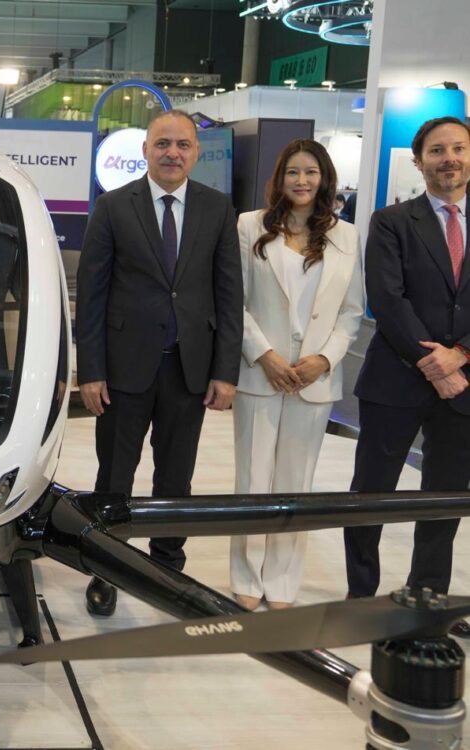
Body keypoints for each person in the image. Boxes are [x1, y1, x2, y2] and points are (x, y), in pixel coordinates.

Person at [75, 110, 243, 616]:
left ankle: (169, 572)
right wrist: (90, 371)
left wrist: (225, 371)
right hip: (123, 371)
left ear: (196, 152)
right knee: (114, 477)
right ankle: (107, 570)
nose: (173, 153)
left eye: (183, 144)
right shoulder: (113, 206)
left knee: (176, 480)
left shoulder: (217, 208)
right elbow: (92, 295)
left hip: (188, 370)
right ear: (145, 150)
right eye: (163, 143)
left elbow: (228, 295)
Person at [346, 116, 470, 638]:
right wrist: (436, 364)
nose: (449, 159)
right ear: (419, 162)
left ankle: (428, 597)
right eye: (437, 151)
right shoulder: (392, 221)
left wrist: (460, 354)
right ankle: (361, 598)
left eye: (459, 148)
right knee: (371, 492)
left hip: (464, 384)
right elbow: (387, 299)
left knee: (445, 497)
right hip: (396, 379)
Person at [230, 140, 364, 611]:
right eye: (293, 172)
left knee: (295, 482)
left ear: (325, 179)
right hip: (260, 373)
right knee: (252, 478)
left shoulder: (347, 236)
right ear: (280, 178)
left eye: (311, 172)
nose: (302, 181)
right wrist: (264, 354)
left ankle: (283, 581)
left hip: (314, 380)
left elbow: (352, 312)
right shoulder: (249, 225)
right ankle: (247, 577)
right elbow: (235, 302)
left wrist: (323, 359)